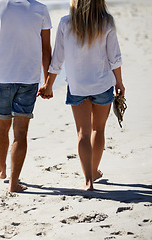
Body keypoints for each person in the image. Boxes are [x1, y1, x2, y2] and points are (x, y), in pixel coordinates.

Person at [37, 0, 125, 191]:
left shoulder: (66, 23)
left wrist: (48, 85)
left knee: (82, 133)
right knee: (98, 130)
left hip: (77, 87)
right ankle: (94, 170)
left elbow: (57, 60)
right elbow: (114, 57)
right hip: (103, 84)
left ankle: (88, 181)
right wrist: (119, 82)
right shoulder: (106, 21)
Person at [0, 0, 52, 192]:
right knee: (21, 132)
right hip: (29, 79)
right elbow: (45, 49)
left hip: (2, 78)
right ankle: (14, 183)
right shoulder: (40, 9)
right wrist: (47, 82)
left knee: (2, 126)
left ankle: (1, 170)